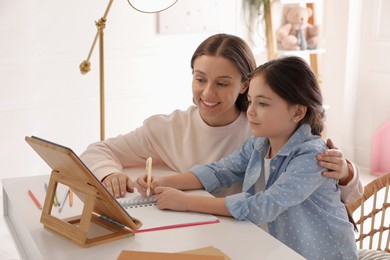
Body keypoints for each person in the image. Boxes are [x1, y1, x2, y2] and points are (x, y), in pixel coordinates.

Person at [80, 33, 362, 202]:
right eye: (200, 79)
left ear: (244, 85)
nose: (207, 93)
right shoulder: (168, 128)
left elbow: (347, 195)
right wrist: (110, 173)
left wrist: (346, 173)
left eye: (222, 83)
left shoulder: (269, 128)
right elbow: (97, 151)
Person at [136, 56, 358, 259]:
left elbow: (264, 205)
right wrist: (161, 182)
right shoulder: (259, 143)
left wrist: (186, 202)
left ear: (297, 112)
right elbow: (220, 170)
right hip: (278, 250)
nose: (250, 111)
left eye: (262, 104)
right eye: (250, 101)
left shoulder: (312, 156)